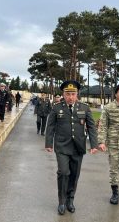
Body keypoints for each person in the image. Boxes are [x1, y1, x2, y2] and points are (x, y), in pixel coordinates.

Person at [45, 80, 98, 215]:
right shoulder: (57, 108)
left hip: (78, 147)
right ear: (63, 94)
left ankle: (70, 199)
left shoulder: (84, 108)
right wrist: (49, 143)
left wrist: (94, 145)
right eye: (67, 94)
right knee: (63, 172)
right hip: (62, 146)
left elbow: (91, 127)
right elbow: (50, 127)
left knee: (74, 175)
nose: (70, 97)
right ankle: (62, 201)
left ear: (77, 94)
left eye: (73, 94)